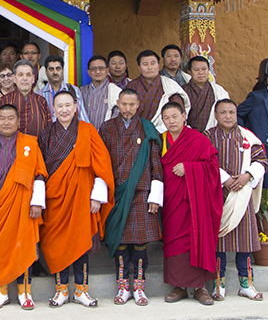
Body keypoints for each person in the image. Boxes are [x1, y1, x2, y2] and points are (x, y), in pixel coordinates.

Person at [39, 91, 115, 308]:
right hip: (55, 198)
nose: (64, 110)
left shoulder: (87, 131)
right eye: (59, 106)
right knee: (56, 244)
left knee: (82, 244)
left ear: (75, 107)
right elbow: (40, 169)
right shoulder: (46, 134)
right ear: (54, 109)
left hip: (83, 196)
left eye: (67, 105)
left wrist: (97, 196)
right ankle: (61, 290)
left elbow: (101, 164)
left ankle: (82, 291)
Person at [0, 104, 47, 309]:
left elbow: (39, 174)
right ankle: (1, 291)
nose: (6, 122)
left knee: (24, 246)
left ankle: (24, 292)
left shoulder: (29, 143)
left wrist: (37, 202)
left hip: (23, 204)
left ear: (18, 121)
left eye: (10, 118)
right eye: (2, 118)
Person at [99, 89, 163, 306]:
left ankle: (139, 285)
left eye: (131, 105)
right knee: (120, 243)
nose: (127, 109)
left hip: (141, 192)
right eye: (124, 104)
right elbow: (101, 162)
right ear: (117, 103)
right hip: (116, 193)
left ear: (138, 105)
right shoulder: (106, 128)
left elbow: (156, 163)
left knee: (139, 243)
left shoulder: (147, 128)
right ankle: (123, 286)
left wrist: (155, 195)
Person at [158, 102, 222, 305]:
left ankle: (200, 287)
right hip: (172, 201)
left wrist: (189, 168)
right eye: (167, 118)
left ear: (184, 116)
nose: (171, 121)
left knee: (197, 238)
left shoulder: (197, 139)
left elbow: (212, 167)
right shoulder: (160, 141)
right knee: (174, 241)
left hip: (195, 201)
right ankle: (179, 287)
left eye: (175, 116)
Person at [205, 99, 267, 301]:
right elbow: (204, 161)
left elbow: (261, 160)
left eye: (231, 112)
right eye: (223, 112)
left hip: (242, 195)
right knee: (218, 241)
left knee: (245, 242)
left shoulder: (247, 137)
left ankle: (246, 284)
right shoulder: (208, 136)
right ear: (216, 115)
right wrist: (225, 179)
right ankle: (218, 284)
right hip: (217, 195)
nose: (228, 116)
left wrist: (247, 176)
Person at [127, 50, 190, 133]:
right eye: (145, 64)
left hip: (165, 132)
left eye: (153, 63)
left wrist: (161, 129)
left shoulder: (170, 85)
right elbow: (126, 112)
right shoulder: (132, 86)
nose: (149, 67)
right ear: (139, 68)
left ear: (158, 65)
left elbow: (177, 110)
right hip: (137, 133)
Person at [0, 60, 51, 137]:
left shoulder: (41, 101)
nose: (24, 78)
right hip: (10, 148)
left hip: (37, 148)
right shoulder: (4, 100)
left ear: (33, 78)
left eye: (28, 75)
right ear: (14, 78)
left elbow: (49, 131)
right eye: (20, 75)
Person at [238, 65, 268, 188]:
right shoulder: (257, 97)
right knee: (265, 187)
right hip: (265, 148)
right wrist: (247, 134)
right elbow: (238, 114)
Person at [182, 56, 229, 132]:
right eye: (196, 69)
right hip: (190, 136)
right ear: (189, 72)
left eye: (204, 69)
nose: (201, 72)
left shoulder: (218, 90)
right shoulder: (182, 91)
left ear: (208, 70)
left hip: (213, 135)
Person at [38, 55, 90, 123]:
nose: (55, 72)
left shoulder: (73, 90)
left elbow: (82, 117)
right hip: (49, 132)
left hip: (71, 132)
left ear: (63, 70)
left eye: (58, 68)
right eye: (51, 69)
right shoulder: (40, 94)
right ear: (46, 72)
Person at [80, 56, 122, 130]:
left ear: (107, 70)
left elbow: (118, 114)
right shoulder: (82, 91)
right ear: (88, 72)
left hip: (106, 136)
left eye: (101, 68)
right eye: (93, 69)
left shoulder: (115, 91)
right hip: (85, 135)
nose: (97, 72)